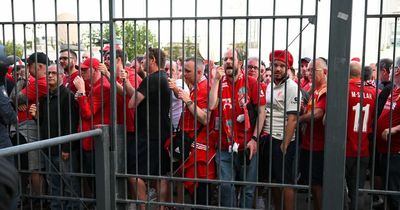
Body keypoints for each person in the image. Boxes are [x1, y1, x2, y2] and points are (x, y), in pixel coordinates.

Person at [209, 48, 266, 208]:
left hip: (248, 146)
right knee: (227, 187)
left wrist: (255, 139)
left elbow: (262, 112)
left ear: (239, 63)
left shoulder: (252, 83)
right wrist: (215, 81)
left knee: (248, 189)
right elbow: (212, 105)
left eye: (230, 59)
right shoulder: (219, 82)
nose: (227, 61)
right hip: (224, 145)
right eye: (225, 59)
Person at [29, 64, 81, 210]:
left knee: (70, 184)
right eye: (48, 73)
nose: (50, 76)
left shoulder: (68, 96)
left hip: (64, 150)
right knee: (54, 184)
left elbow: (71, 123)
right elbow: (43, 123)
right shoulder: (45, 98)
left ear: (61, 76)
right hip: (49, 148)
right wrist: (36, 117)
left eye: (53, 73)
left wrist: (67, 148)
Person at [169, 57, 217, 209]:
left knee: (201, 196)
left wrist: (188, 101)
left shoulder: (206, 88)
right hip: (191, 146)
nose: (184, 75)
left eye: (187, 71)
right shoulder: (196, 86)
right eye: (183, 71)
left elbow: (205, 119)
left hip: (201, 152)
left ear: (199, 72)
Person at [128, 47, 171, 210]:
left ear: (152, 60)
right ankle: (162, 207)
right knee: (160, 175)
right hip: (161, 133)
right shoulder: (163, 77)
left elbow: (132, 103)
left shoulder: (151, 79)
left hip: (147, 135)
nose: (142, 62)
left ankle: (142, 207)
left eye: (144, 59)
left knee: (134, 173)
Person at [263, 50, 301, 210]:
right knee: (272, 181)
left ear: (288, 68)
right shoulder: (270, 86)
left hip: (282, 141)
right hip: (268, 138)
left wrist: (285, 145)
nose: (278, 69)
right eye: (275, 65)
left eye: (282, 66)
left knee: (285, 182)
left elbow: (293, 119)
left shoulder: (292, 88)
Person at [10, 52, 50, 204]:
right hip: (26, 127)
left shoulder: (40, 83)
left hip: (31, 128)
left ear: (38, 66)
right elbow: (14, 99)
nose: (26, 68)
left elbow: (14, 98)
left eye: (29, 65)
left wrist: (21, 80)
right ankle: (35, 200)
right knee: (29, 166)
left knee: (35, 167)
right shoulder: (34, 82)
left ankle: (39, 201)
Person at [73, 57, 111, 199]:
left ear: (95, 71)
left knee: (97, 180)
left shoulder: (102, 87)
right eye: (80, 69)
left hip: (95, 141)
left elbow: (88, 114)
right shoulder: (93, 86)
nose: (81, 72)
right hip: (89, 139)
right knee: (91, 178)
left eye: (84, 69)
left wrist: (81, 92)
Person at [345, 61, 377, 210]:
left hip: (344, 148)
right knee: (357, 191)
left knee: (337, 188)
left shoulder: (344, 89)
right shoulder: (373, 91)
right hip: (363, 148)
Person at [299, 58, 328, 210]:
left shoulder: (325, 90)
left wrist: (298, 119)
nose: (308, 72)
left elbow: (317, 113)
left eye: (312, 70)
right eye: (308, 69)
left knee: (317, 185)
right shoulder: (315, 89)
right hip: (309, 144)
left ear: (324, 72)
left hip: (318, 146)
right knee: (313, 183)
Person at [376, 57, 400, 210]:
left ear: (397, 70)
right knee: (390, 194)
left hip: (396, 153)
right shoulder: (394, 90)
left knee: (394, 195)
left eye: (392, 68)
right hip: (386, 151)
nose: (390, 71)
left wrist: (394, 129)